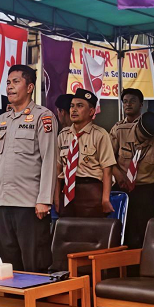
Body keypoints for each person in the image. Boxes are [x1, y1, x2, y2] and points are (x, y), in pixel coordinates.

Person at [0, 65, 56, 273]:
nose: (10, 87)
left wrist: (44, 200)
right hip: (5, 202)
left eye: (16, 82)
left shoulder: (43, 117)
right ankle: (14, 304)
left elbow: (49, 160)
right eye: (8, 82)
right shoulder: (2, 120)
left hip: (30, 204)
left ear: (30, 87)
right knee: (7, 259)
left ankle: (38, 304)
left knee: (34, 260)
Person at [111, 111, 154, 248]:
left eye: (148, 139)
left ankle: (139, 265)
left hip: (145, 191)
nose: (144, 141)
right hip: (121, 188)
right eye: (142, 137)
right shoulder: (120, 132)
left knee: (142, 232)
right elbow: (107, 159)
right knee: (119, 230)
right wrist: (119, 175)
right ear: (137, 126)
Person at [56, 89, 116, 218]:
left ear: (91, 112)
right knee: (67, 234)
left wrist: (105, 199)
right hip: (67, 191)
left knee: (90, 233)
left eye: (80, 106)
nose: (74, 110)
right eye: (72, 106)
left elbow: (107, 169)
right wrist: (56, 197)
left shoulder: (100, 135)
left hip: (92, 192)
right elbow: (58, 169)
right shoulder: (63, 135)